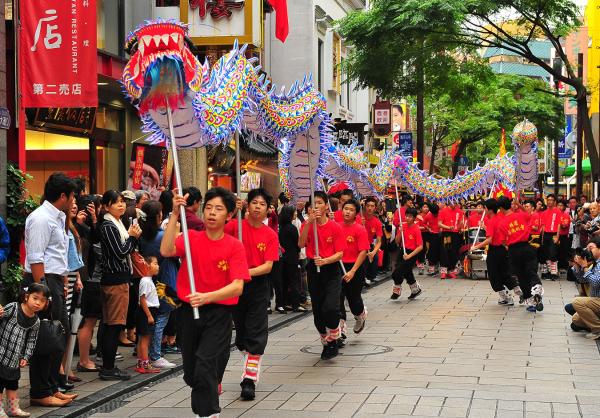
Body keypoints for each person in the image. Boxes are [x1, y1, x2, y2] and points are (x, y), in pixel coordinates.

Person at [160, 187, 248, 417]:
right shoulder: (190, 239)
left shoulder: (234, 246)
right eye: (208, 207)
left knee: (205, 363)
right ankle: (206, 404)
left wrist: (207, 297)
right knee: (192, 373)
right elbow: (166, 249)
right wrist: (174, 215)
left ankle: (209, 413)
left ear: (228, 215)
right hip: (188, 312)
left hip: (218, 314)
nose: (211, 213)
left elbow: (238, 286)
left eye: (218, 209)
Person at [23, 172, 78, 406]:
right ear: (63, 196)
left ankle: (52, 386)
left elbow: (57, 253)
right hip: (42, 282)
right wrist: (42, 293)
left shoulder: (56, 217)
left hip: (54, 281)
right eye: (73, 196)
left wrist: (63, 282)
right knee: (46, 337)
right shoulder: (41, 218)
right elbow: (36, 257)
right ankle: (40, 392)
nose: (74, 201)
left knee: (59, 334)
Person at [224, 188, 279, 400]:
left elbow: (267, 266)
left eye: (262, 204)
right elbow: (213, 233)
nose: (257, 206)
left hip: (257, 286)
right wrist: (230, 213)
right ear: (247, 204)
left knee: (256, 333)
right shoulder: (234, 227)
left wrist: (246, 271)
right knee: (242, 336)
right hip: (235, 285)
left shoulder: (270, 235)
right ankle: (248, 351)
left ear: (268, 209)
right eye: (254, 202)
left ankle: (249, 380)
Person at [98, 190, 142, 381]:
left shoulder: (117, 223)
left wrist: (132, 237)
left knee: (113, 324)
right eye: (116, 203)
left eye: (122, 202)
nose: (121, 205)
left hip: (119, 278)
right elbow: (120, 252)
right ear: (106, 207)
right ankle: (108, 368)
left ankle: (109, 366)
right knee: (114, 325)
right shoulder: (109, 226)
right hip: (114, 280)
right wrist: (132, 237)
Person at [299, 191, 346, 360]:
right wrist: (309, 222)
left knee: (331, 308)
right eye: (313, 204)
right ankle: (326, 343)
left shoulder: (335, 226)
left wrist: (325, 261)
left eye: (319, 203)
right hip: (314, 269)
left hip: (331, 269)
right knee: (318, 312)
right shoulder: (307, 224)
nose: (316, 206)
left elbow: (340, 253)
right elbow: (301, 243)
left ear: (326, 206)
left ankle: (334, 336)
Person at [138, 200, 178, 370]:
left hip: (150, 279)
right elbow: (176, 252)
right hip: (166, 279)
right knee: (162, 316)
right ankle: (155, 355)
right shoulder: (162, 236)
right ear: (158, 216)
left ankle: (146, 354)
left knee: (153, 318)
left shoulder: (141, 237)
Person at [0, 283, 49, 417]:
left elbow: (31, 341)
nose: (38, 303)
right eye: (35, 298)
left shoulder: (36, 321)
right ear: (27, 297)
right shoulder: (13, 308)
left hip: (15, 356)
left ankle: (12, 408)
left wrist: (25, 357)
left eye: (42, 301)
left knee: (13, 383)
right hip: (1, 352)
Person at [497, 197, 544, 312]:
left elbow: (503, 241)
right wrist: (519, 204)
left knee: (521, 276)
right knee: (531, 271)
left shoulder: (502, 223)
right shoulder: (521, 215)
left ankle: (530, 302)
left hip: (513, 250)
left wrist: (509, 246)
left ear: (501, 208)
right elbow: (529, 214)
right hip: (527, 246)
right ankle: (536, 288)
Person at [472, 199, 522, 305]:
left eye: (485, 207)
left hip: (495, 250)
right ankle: (517, 288)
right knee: (505, 273)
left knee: (494, 275)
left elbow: (490, 239)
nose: (484, 210)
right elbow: (496, 233)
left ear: (489, 209)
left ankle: (506, 297)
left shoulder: (491, 221)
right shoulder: (501, 217)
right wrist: (484, 227)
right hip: (504, 249)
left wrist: (476, 247)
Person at [338, 199, 369, 337]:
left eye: (351, 210)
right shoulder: (336, 227)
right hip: (339, 265)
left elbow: (363, 252)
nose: (347, 212)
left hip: (355, 267)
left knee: (353, 299)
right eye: (346, 209)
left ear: (356, 213)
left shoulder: (360, 229)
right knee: (338, 297)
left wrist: (353, 271)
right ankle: (341, 328)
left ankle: (360, 315)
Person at [567, 237, 600, 340]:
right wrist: (578, 267)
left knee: (577, 302)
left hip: (597, 300)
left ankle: (597, 329)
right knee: (576, 319)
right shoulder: (595, 263)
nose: (588, 250)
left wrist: (585, 267)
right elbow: (582, 281)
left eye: (591, 247)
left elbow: (595, 283)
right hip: (595, 300)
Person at [390, 208, 423, 300]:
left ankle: (397, 290)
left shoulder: (416, 229)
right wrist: (400, 231)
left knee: (396, 273)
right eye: (406, 216)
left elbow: (420, 246)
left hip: (411, 254)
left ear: (414, 218)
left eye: (410, 216)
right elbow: (397, 241)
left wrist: (409, 256)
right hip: (402, 251)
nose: (407, 218)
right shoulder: (403, 226)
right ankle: (415, 290)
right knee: (407, 272)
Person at [135, 256, 161, 374]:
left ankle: (141, 362)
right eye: (155, 263)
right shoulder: (145, 281)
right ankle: (145, 364)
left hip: (148, 311)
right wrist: (149, 315)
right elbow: (143, 299)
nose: (158, 266)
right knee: (145, 339)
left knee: (143, 338)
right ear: (147, 265)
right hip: (147, 311)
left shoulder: (148, 280)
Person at [278, 206, 304, 312]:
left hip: (283, 257)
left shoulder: (281, 227)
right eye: (294, 213)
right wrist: (298, 251)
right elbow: (297, 243)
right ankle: (296, 304)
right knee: (294, 281)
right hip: (292, 257)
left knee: (284, 281)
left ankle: (285, 303)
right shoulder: (292, 228)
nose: (296, 214)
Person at [438, 202, 463, 279]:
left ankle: (451, 270)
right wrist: (448, 227)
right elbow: (439, 224)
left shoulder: (459, 211)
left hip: (455, 233)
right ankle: (443, 271)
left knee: (454, 252)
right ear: (449, 202)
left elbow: (460, 222)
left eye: (456, 202)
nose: (455, 204)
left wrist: (459, 227)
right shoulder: (443, 211)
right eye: (453, 202)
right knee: (445, 251)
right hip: (446, 233)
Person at [541, 194, 562, 281]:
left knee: (553, 254)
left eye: (551, 200)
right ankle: (550, 272)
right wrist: (542, 238)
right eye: (548, 200)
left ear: (554, 202)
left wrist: (557, 237)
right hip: (546, 235)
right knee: (546, 254)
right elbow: (543, 226)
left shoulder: (557, 211)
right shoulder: (544, 212)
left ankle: (554, 273)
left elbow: (559, 225)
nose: (549, 201)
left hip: (553, 235)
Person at [362, 197, 382, 286]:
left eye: (372, 206)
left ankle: (368, 277)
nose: (370, 208)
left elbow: (379, 241)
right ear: (364, 206)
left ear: (375, 208)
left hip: (369, 245)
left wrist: (373, 252)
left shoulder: (377, 222)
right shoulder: (358, 218)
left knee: (375, 258)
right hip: (358, 245)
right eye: (368, 206)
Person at [422, 203, 440, 275]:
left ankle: (438, 267)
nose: (436, 214)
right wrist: (428, 228)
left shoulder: (441, 213)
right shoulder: (428, 215)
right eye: (434, 213)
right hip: (432, 235)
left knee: (441, 251)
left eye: (436, 213)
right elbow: (424, 223)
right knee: (432, 252)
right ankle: (432, 268)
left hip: (440, 234)